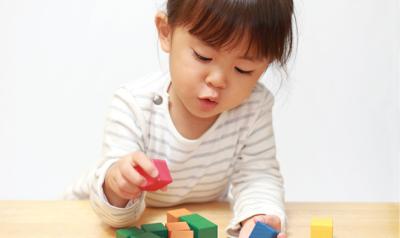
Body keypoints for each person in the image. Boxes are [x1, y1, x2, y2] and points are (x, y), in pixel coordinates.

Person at [66, 0, 294, 237]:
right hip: (84, 215)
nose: (217, 80)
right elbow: (111, 215)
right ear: (166, 32)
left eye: (243, 69)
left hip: (190, 220)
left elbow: (258, 176)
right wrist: (118, 185)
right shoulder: (134, 104)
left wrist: (258, 217)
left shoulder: (253, 107)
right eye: (203, 56)